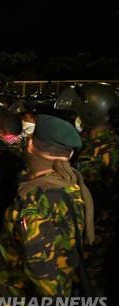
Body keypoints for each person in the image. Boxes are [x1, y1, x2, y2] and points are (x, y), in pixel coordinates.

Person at [0, 115, 90, 306]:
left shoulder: (36, 197)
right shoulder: (72, 186)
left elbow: (40, 265)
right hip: (58, 297)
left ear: (29, 145)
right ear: (71, 154)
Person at [55, 83, 119, 291]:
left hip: (96, 236)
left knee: (89, 292)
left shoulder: (98, 152)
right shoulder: (106, 144)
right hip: (102, 234)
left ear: (91, 112)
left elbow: (85, 193)